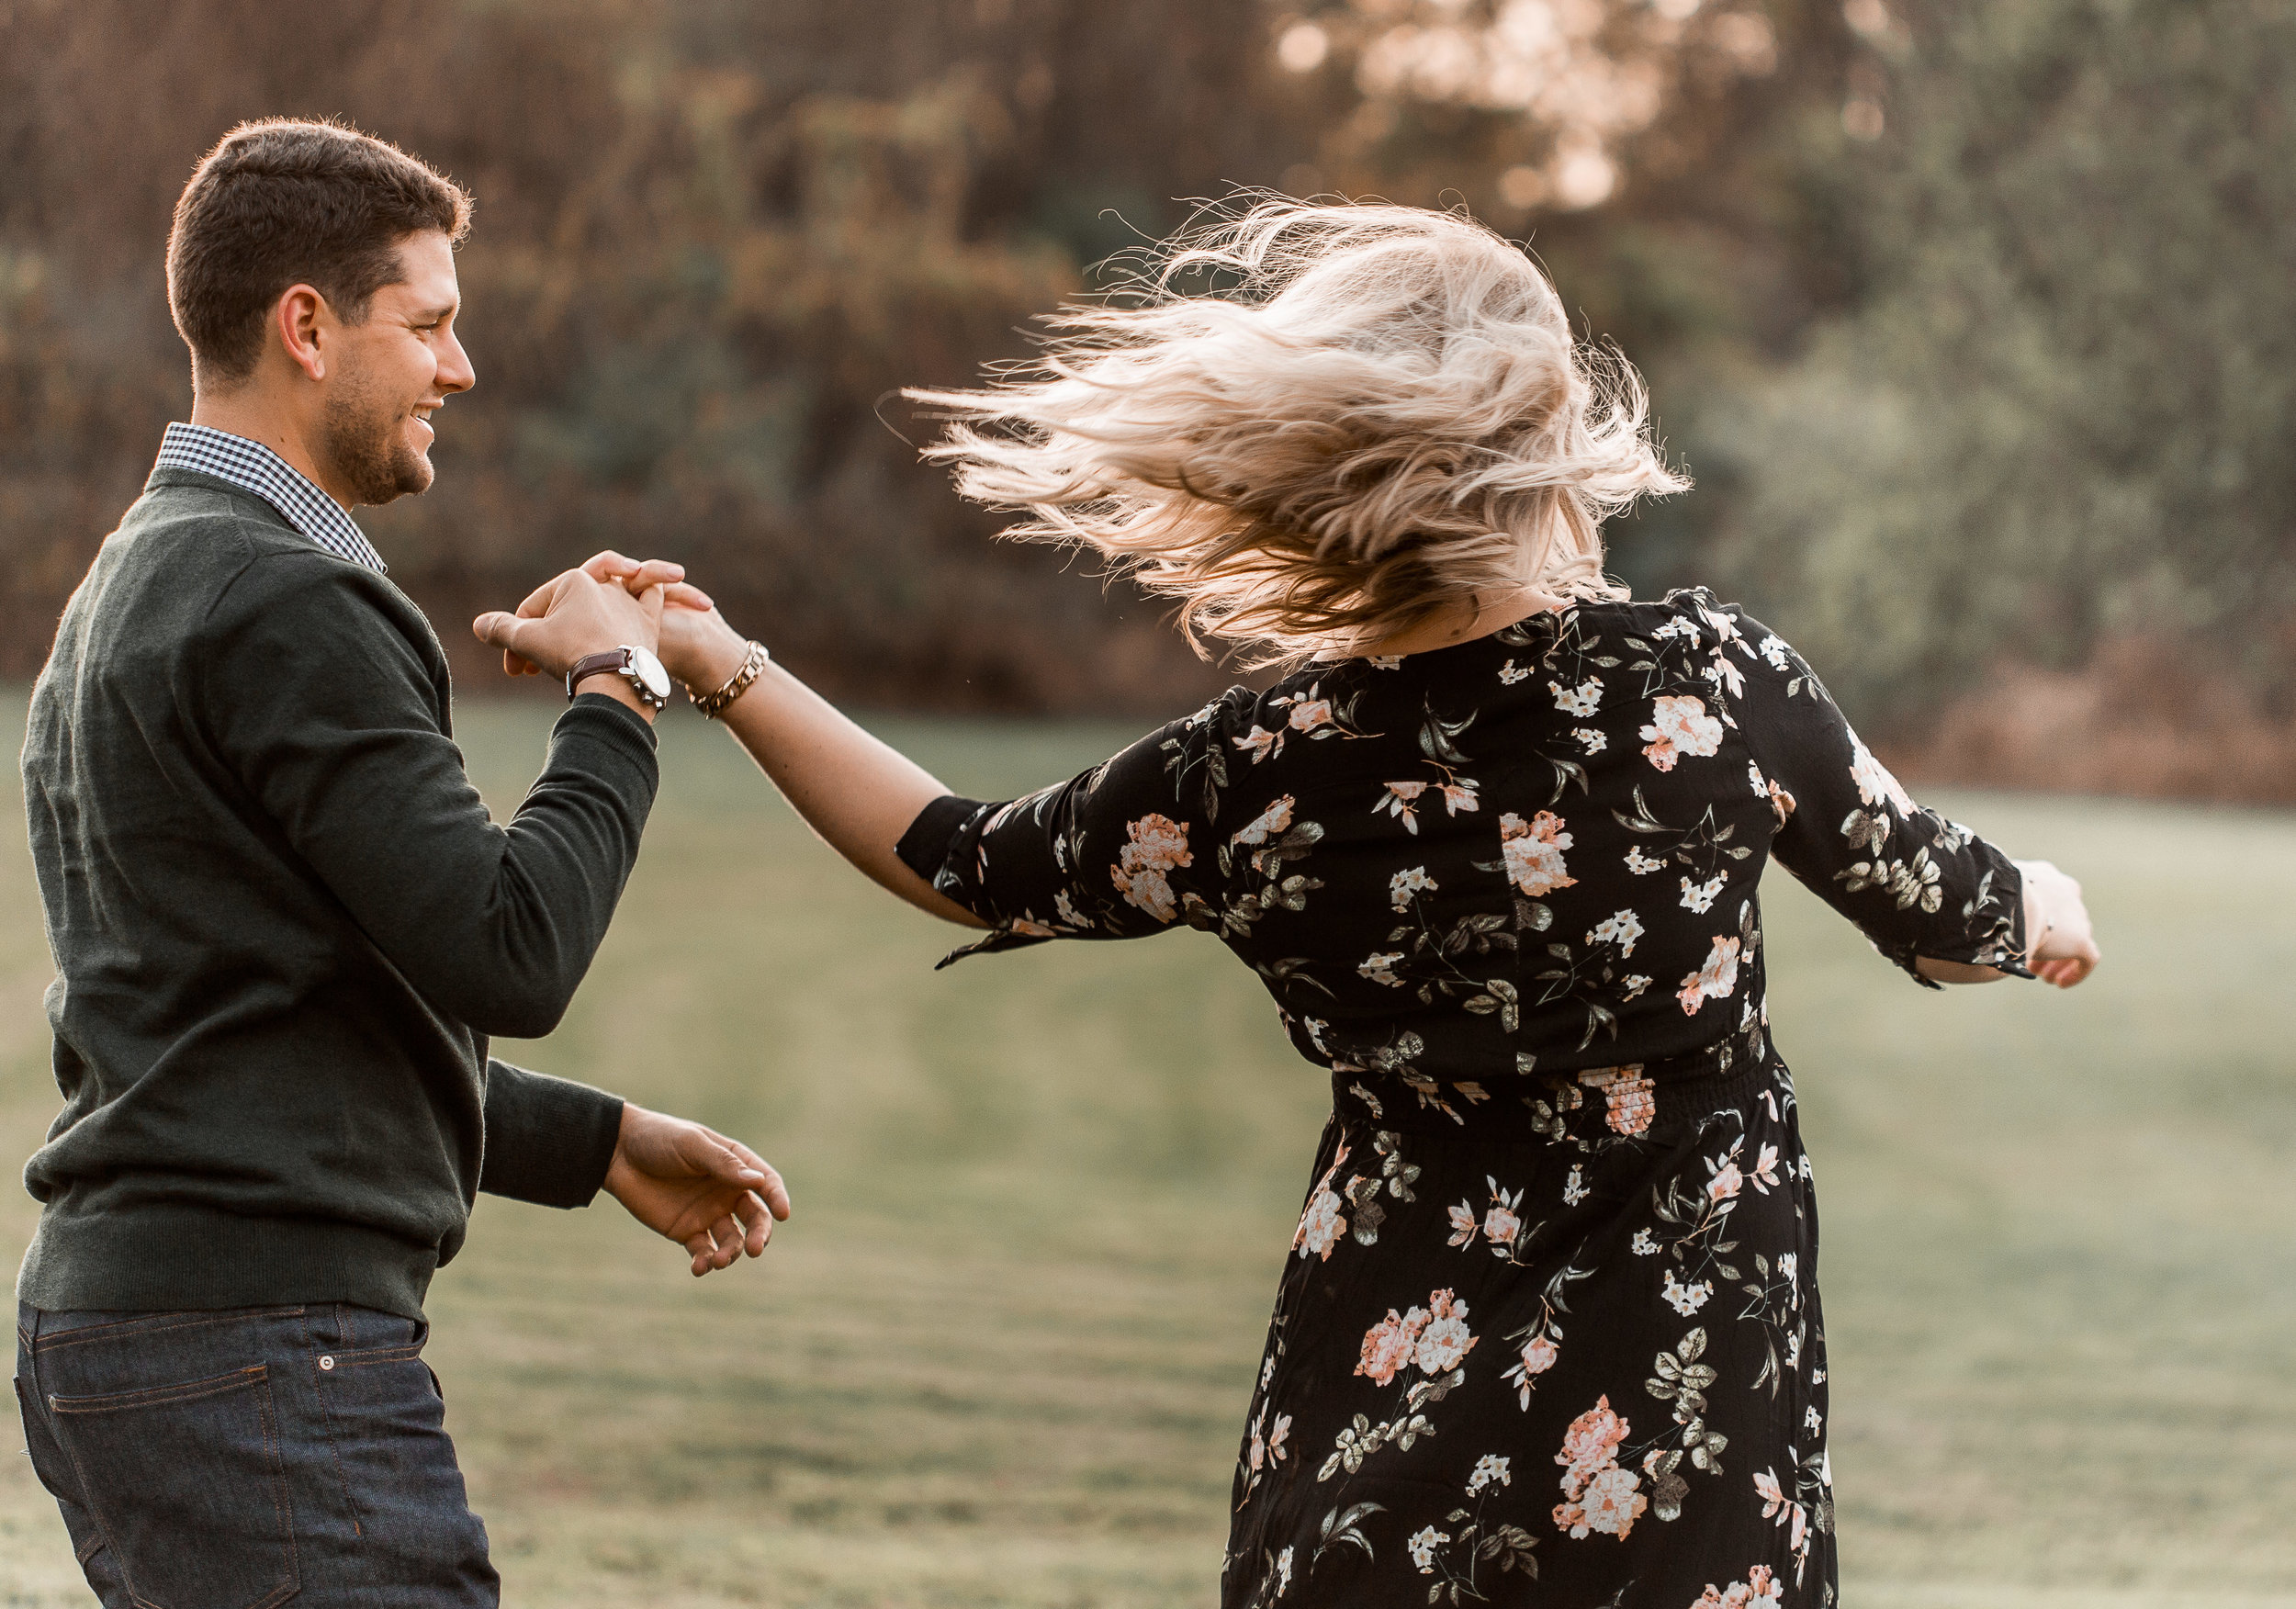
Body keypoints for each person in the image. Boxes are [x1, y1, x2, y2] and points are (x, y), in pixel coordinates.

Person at [571, 199, 2099, 1605]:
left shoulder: (1267, 767)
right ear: (1548, 426)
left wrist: (725, 666)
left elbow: (959, 856)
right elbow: (1948, 920)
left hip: (1371, 1464)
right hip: (1678, 1466)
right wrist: (2042, 902)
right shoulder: (1701, 688)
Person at [13, 118, 789, 1607]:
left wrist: (599, 1142)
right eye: (429, 323)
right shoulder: (287, 597)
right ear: (306, 327)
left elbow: (249, 1031)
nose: (461, 366)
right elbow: (511, 950)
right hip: (255, 1357)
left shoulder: (138, 573)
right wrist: (621, 694)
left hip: (148, 1336)